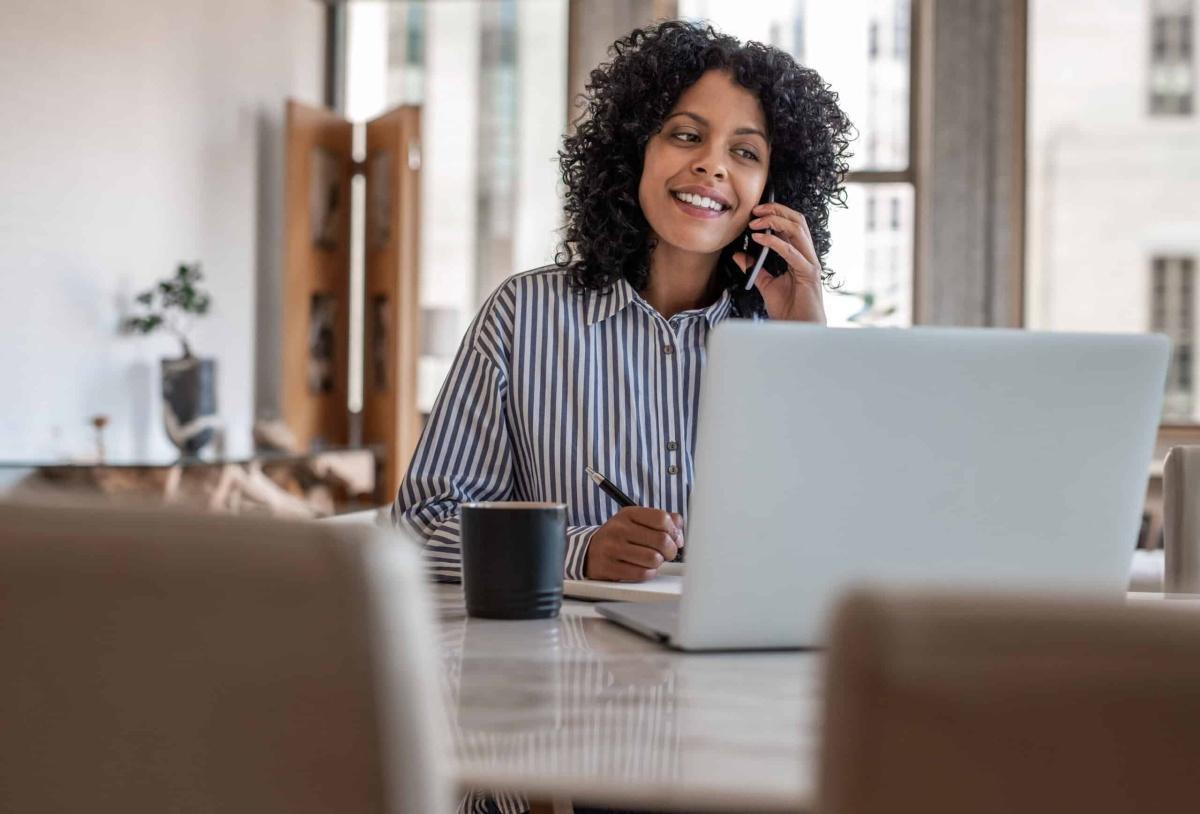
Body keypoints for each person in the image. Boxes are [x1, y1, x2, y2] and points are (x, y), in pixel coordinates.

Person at [394, 20, 852, 587]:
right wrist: (575, 552)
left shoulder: (783, 333)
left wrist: (809, 347)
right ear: (633, 151)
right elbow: (419, 528)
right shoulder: (522, 316)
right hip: (567, 664)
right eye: (686, 135)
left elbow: (843, 536)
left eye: (745, 151)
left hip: (745, 663)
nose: (714, 165)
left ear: (773, 191)